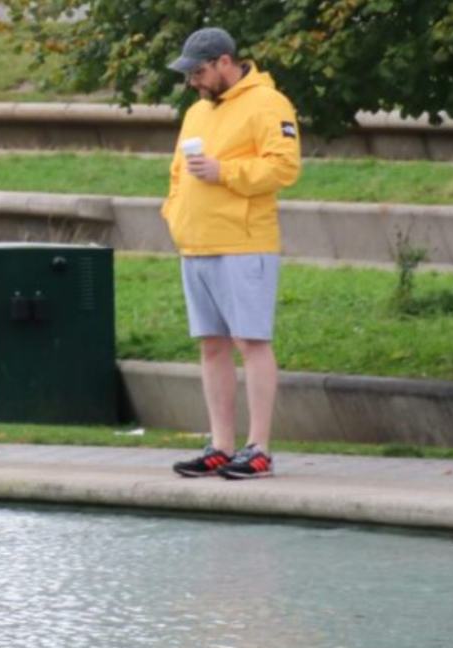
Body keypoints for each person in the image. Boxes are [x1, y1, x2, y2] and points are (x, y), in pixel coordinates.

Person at [162, 27, 301, 480]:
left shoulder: (268, 103)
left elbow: (284, 166)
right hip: (197, 243)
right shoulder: (197, 112)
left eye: (199, 72)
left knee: (251, 342)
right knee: (212, 346)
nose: (193, 83)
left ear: (225, 62)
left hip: (244, 244)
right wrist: (175, 213)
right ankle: (220, 445)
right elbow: (179, 172)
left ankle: (258, 447)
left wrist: (226, 172)